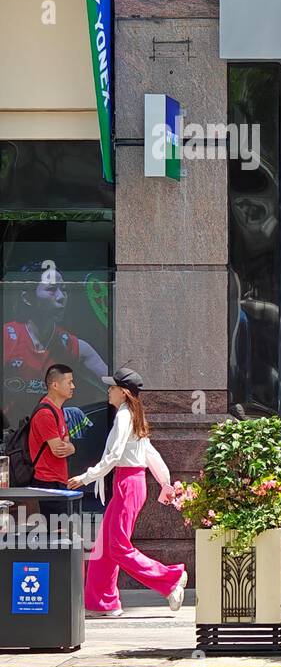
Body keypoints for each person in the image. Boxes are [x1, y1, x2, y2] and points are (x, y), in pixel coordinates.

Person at [68, 368, 187, 618]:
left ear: (123, 392)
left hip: (128, 484)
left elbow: (114, 455)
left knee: (119, 546)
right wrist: (165, 484)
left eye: (112, 387)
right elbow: (150, 452)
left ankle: (170, 579)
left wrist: (86, 477)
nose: (108, 391)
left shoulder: (124, 416)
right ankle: (103, 602)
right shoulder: (131, 414)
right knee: (106, 545)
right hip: (129, 483)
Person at [2, 264, 109, 431]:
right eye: (52, 290)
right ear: (28, 298)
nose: (61, 297)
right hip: (11, 439)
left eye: (65, 289)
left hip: (51, 438)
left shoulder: (75, 347)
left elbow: (115, 388)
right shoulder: (5, 338)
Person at [26, 364, 78, 492]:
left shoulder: (58, 409)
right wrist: (71, 448)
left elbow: (67, 441)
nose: (73, 386)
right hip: (47, 482)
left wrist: (71, 447)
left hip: (58, 480)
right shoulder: (45, 413)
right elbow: (59, 450)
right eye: (69, 382)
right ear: (55, 385)